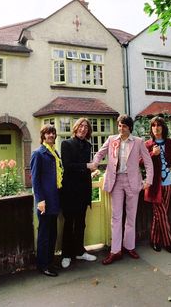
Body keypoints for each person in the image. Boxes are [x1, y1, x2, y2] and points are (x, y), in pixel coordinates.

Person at [92, 114, 153, 265]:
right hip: (116, 181)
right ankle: (115, 251)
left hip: (132, 182)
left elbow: (148, 162)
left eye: (124, 126)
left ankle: (129, 246)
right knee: (116, 217)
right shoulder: (112, 139)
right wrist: (94, 164)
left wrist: (148, 181)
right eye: (119, 125)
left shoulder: (138, 142)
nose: (120, 128)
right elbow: (100, 153)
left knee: (131, 216)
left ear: (129, 127)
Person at [61, 117, 97, 269]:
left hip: (83, 190)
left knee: (81, 223)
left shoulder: (88, 146)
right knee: (69, 224)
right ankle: (66, 255)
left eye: (86, 128)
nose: (83, 129)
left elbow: (85, 169)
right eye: (81, 126)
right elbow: (68, 166)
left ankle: (80, 251)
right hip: (70, 191)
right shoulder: (66, 144)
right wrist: (87, 166)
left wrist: (90, 170)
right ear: (75, 128)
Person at [144, 116, 171, 254]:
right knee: (162, 213)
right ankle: (167, 242)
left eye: (159, 125)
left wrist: (170, 164)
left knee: (158, 214)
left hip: (168, 183)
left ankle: (154, 240)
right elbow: (141, 161)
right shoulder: (147, 144)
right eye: (153, 125)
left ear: (163, 128)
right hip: (154, 185)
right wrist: (153, 154)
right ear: (151, 129)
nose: (156, 128)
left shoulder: (170, 142)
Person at [30, 124, 63, 277]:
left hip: (55, 199)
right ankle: (43, 265)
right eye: (48, 133)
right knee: (44, 234)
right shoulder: (38, 153)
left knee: (52, 233)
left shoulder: (54, 152)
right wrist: (40, 200)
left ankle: (50, 261)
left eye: (53, 133)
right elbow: (35, 180)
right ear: (43, 136)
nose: (51, 135)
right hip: (45, 201)